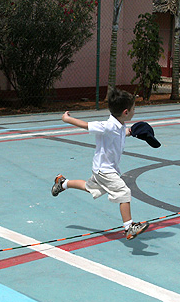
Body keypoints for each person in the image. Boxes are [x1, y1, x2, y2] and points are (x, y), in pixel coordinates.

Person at [51, 88, 149, 240]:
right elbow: (87, 125)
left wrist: (133, 132)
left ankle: (63, 183)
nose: (135, 111)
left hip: (101, 169)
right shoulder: (108, 126)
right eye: (134, 109)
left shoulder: (119, 125)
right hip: (105, 170)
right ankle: (129, 227)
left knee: (89, 188)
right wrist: (67, 119)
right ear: (125, 112)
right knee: (124, 192)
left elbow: (121, 133)